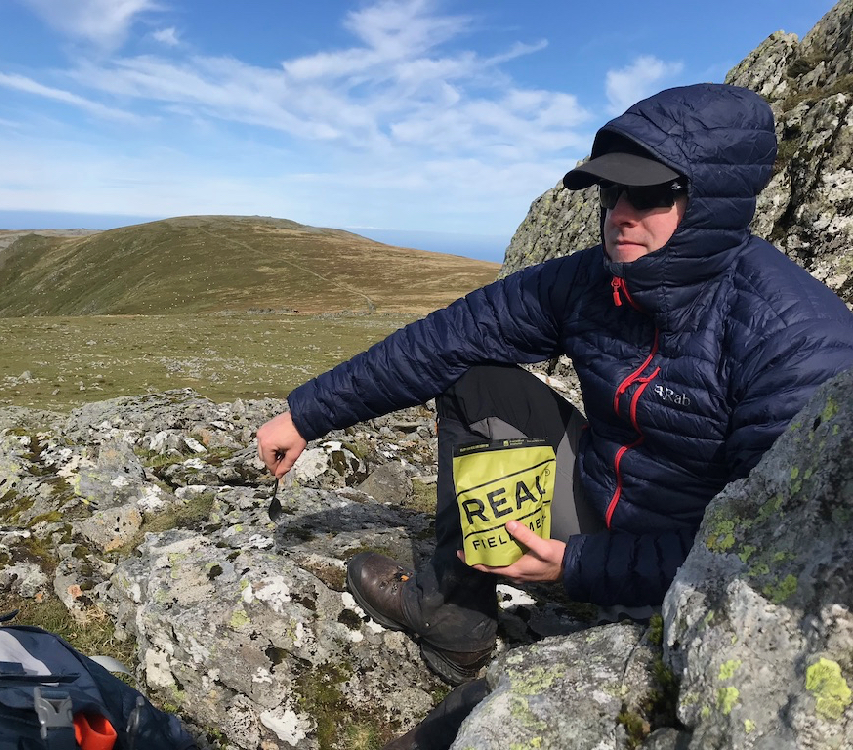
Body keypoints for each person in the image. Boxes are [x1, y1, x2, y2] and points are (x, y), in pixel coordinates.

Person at [256, 83, 853, 694]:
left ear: (709, 203)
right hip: (597, 503)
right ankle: (454, 615)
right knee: (476, 377)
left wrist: (579, 568)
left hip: (693, 569)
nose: (619, 211)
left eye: (647, 192)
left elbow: (759, 548)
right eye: (611, 189)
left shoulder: (797, 341)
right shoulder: (596, 280)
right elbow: (448, 338)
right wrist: (306, 416)